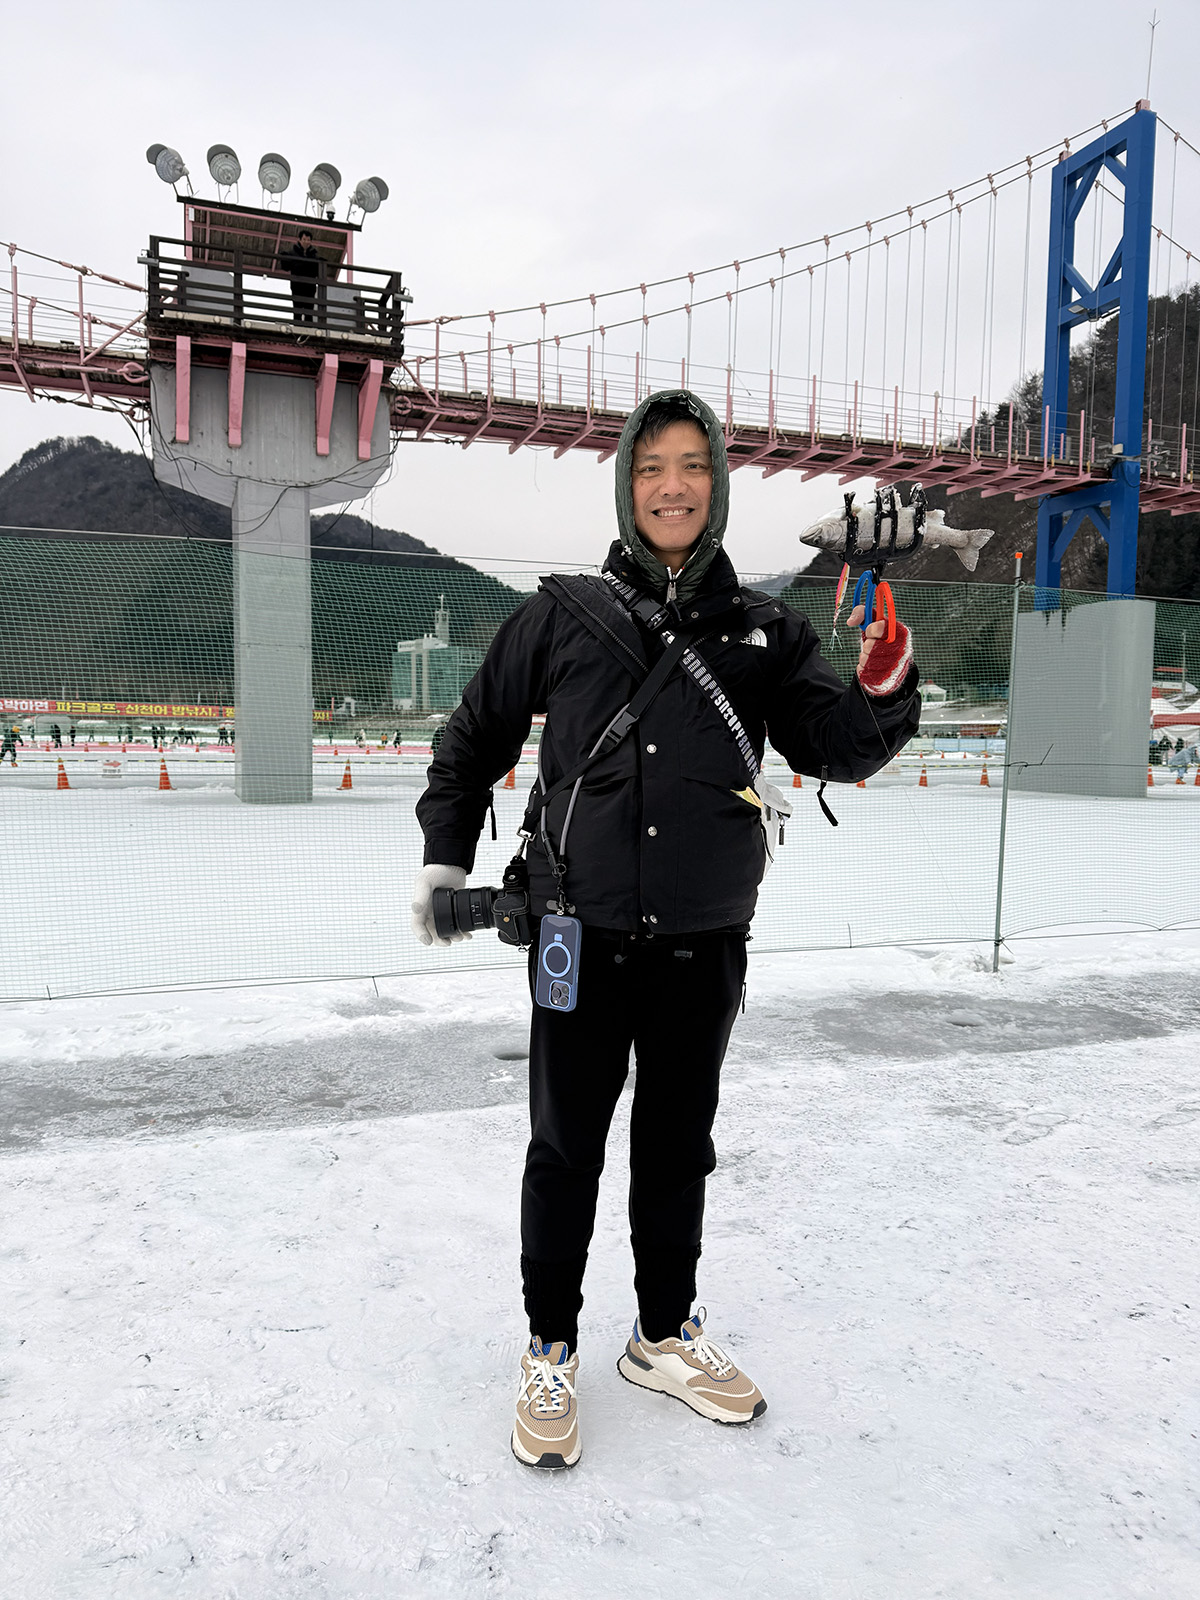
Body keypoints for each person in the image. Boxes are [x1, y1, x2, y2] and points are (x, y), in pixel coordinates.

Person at [412, 390, 920, 1470]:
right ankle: (551, 1344)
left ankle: (660, 1333)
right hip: (574, 937)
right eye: (652, 469)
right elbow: (472, 737)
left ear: (719, 484)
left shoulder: (767, 632)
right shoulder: (561, 613)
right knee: (564, 1149)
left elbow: (837, 744)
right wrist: (444, 859)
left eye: (693, 466)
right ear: (626, 486)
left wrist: (882, 680)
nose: (673, 485)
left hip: (703, 939)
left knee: (675, 1146)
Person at [280, 229, 321, 325]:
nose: (306, 242)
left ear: (311, 241)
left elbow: (318, 272)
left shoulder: (314, 255)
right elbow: (286, 266)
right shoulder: (292, 253)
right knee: (297, 311)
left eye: (308, 240)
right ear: (299, 240)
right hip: (297, 287)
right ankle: (297, 331)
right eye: (304, 239)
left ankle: (308, 332)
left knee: (309, 313)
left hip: (310, 288)